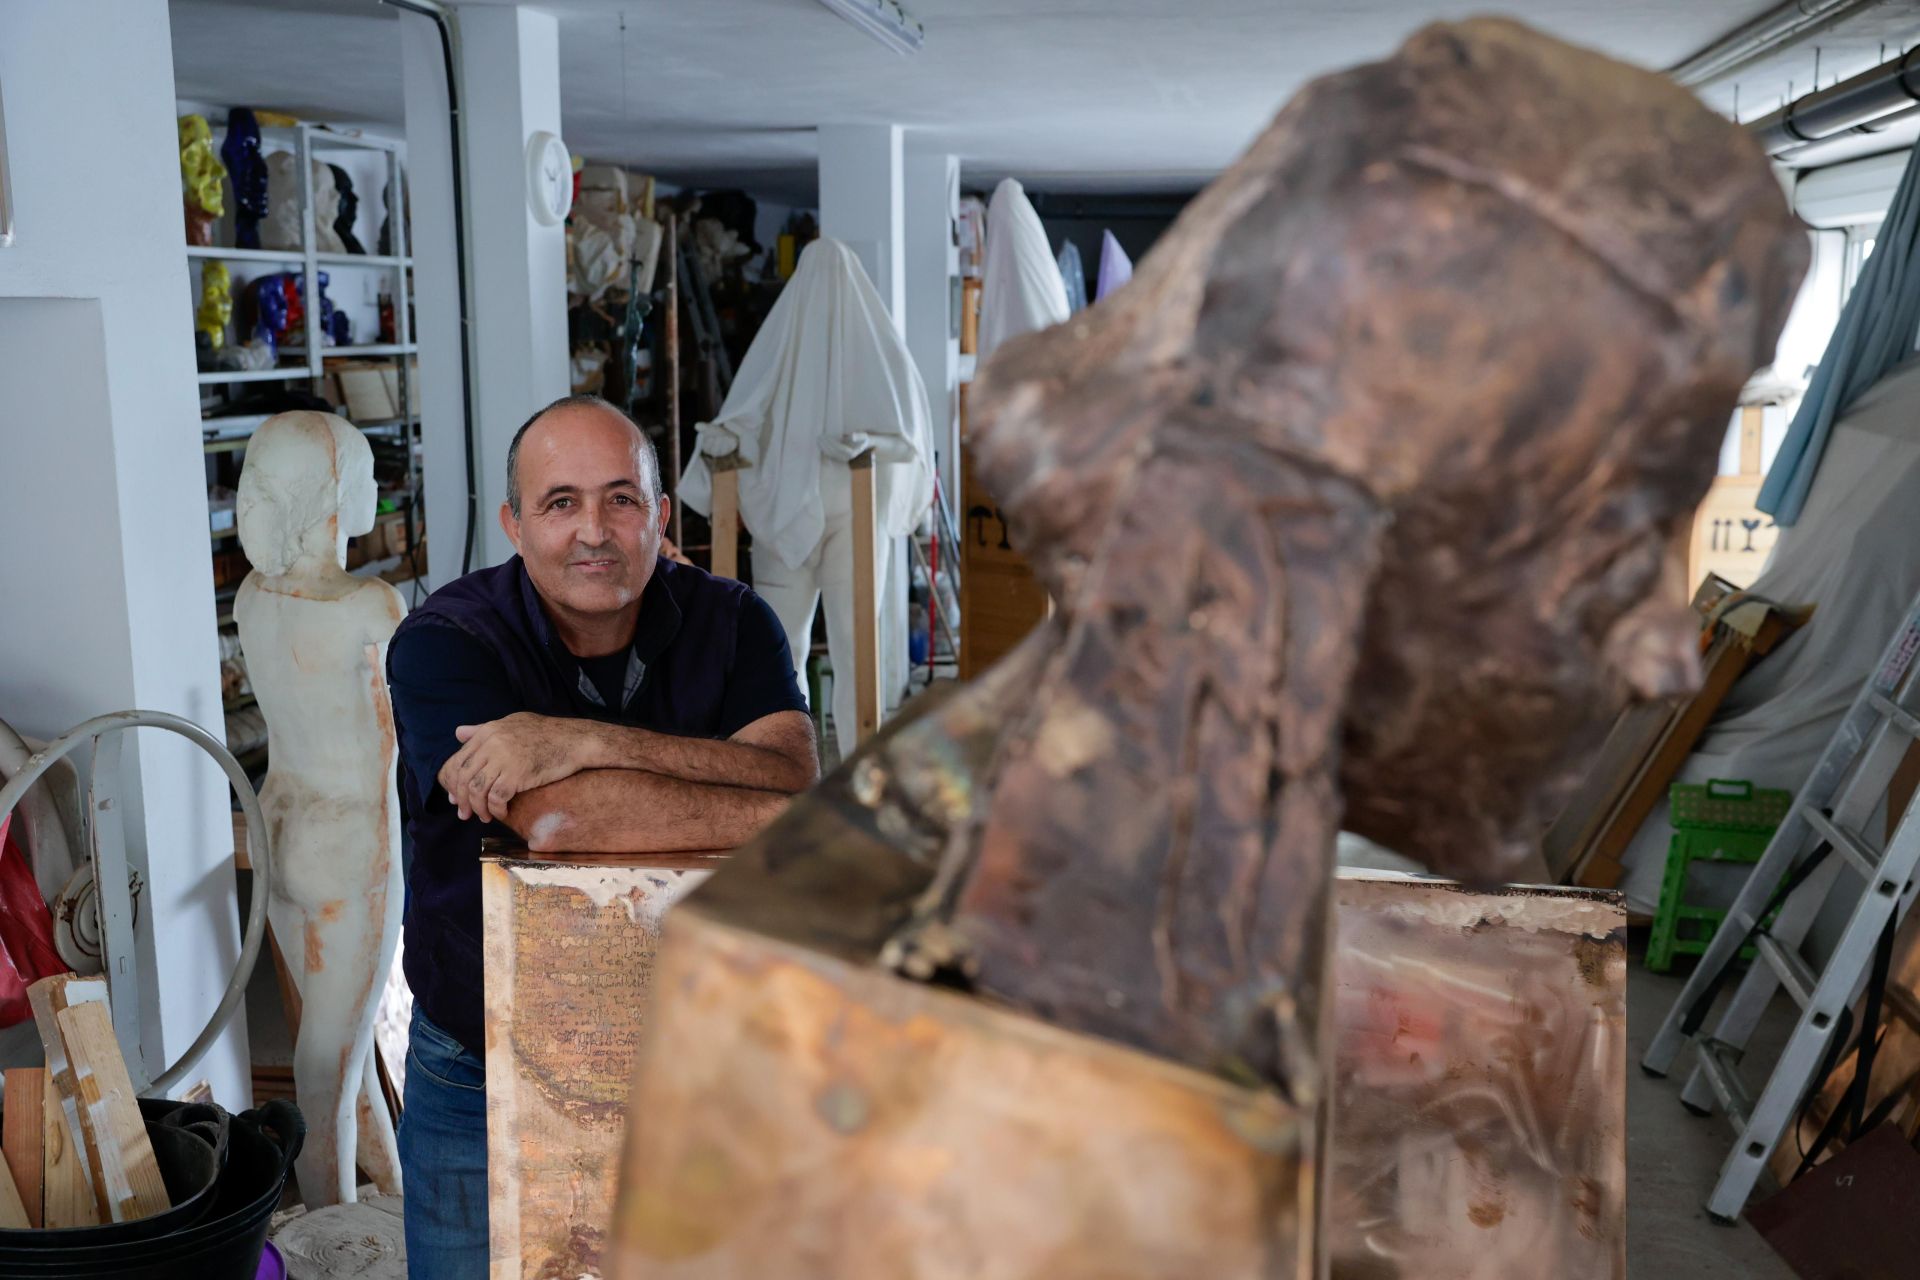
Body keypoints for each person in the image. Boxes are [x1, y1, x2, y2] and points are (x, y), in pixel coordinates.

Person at [386, 394, 817, 1276]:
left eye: (622, 499)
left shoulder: (734, 623)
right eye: (560, 502)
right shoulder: (443, 643)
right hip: (483, 1063)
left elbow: (792, 771)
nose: (594, 530)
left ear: (660, 516)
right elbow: (561, 824)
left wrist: (582, 741)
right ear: (513, 523)